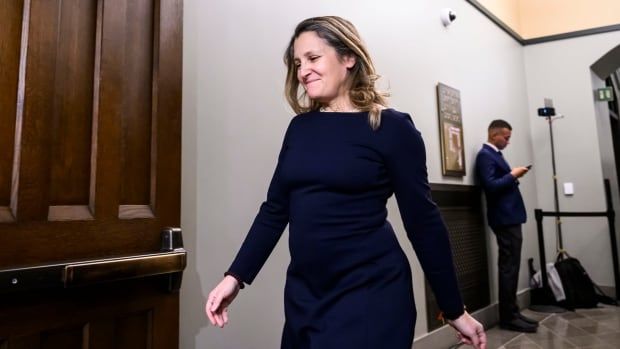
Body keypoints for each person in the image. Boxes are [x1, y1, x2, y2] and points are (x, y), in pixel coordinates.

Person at [206, 16, 486, 349]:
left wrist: (453, 308)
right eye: (297, 63)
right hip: (305, 297)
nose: (303, 70)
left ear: (348, 57)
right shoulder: (300, 129)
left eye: (313, 58)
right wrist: (235, 277)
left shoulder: (392, 128)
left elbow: (423, 223)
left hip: (371, 295)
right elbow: (274, 211)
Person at [475, 119, 538, 333]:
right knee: (509, 268)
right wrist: (513, 175)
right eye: (507, 137)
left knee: (511, 266)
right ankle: (508, 317)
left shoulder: (495, 155)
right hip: (504, 218)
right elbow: (491, 186)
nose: (508, 141)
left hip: (509, 217)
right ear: (494, 135)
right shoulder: (485, 155)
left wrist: (513, 175)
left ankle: (513, 311)